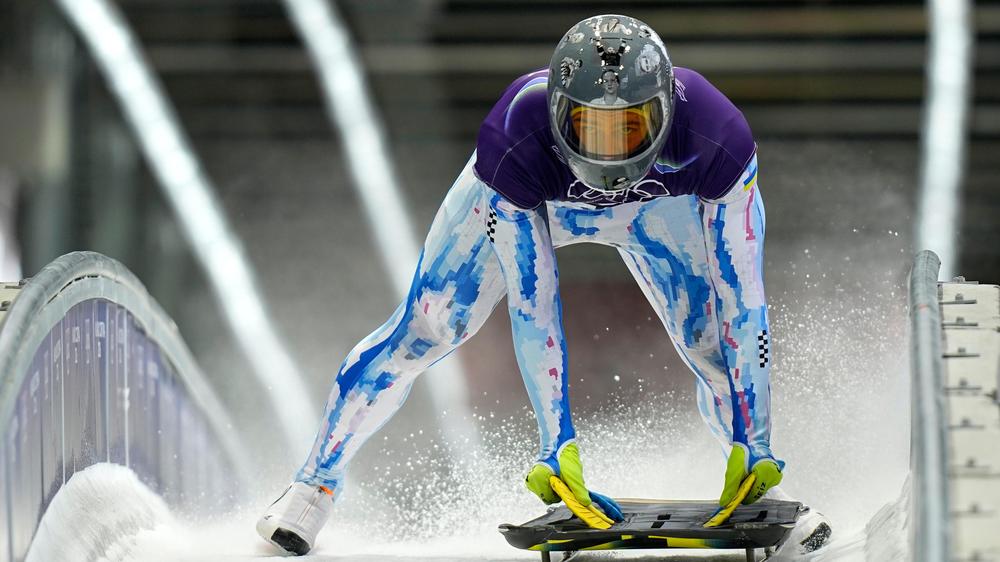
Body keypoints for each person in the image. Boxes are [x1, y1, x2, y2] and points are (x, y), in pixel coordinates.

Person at [257, 14, 831, 556]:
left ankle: (762, 483)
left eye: (630, 127)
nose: (609, 150)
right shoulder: (514, 134)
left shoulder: (719, 135)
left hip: (655, 210)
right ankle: (313, 486)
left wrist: (755, 439)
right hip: (549, 201)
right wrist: (557, 444)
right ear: (557, 111)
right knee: (431, 327)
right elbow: (535, 304)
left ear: (665, 112)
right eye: (590, 125)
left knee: (711, 340)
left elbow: (744, 302)